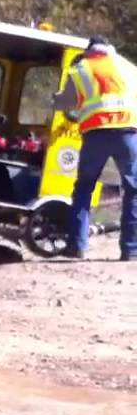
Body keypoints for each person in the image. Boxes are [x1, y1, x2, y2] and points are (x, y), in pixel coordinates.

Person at [51, 36, 137, 261]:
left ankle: (77, 245)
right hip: (127, 133)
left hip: (96, 134)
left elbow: (65, 102)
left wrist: (53, 100)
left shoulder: (81, 69)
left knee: (83, 189)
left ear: (89, 50)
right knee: (133, 189)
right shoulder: (127, 67)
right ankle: (131, 249)